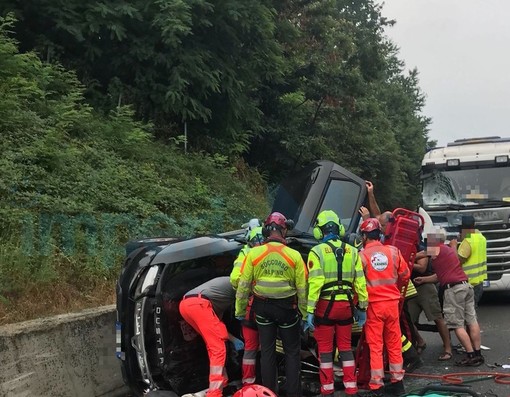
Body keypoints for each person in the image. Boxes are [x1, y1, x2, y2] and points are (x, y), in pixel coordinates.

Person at [235, 212, 307, 397]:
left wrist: (240, 310)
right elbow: (302, 289)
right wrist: (306, 314)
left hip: (262, 309)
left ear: (266, 231)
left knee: (267, 352)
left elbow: (243, 285)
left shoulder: (253, 254)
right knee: (292, 352)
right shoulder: (295, 256)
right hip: (287, 310)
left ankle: (268, 392)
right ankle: (293, 393)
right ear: (284, 231)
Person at [306, 210, 368, 396]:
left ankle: (327, 389)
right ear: (339, 228)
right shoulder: (353, 251)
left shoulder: (316, 252)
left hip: (325, 307)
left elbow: (315, 283)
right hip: (346, 307)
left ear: (320, 231)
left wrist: (309, 310)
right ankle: (351, 388)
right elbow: (360, 282)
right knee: (346, 348)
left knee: (325, 351)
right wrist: (362, 307)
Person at [414, 229, 484, 367]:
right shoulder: (449, 251)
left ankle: (470, 355)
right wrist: (424, 280)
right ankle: (477, 353)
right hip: (466, 286)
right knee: (471, 320)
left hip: (454, 290)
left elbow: (418, 255)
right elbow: (439, 276)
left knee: (456, 324)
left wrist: (403, 256)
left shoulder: (436, 249)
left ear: (435, 241)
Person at [358, 218, 410, 397]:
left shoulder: (362, 256)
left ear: (364, 236)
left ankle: (377, 385)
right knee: (394, 343)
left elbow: (357, 283)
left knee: (375, 346)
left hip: (374, 306)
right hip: (392, 303)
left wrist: (358, 303)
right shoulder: (393, 251)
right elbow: (405, 275)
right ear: (379, 234)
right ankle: (397, 382)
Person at [179, 277, 244, 397]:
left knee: (213, 345)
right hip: (198, 304)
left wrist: (233, 340)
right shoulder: (241, 283)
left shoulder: (219, 298)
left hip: (186, 305)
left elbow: (218, 329)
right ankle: (215, 393)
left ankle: (223, 383)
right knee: (218, 349)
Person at [230, 225, 264, 385]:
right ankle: (262, 382)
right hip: (263, 308)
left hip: (250, 309)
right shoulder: (265, 254)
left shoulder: (245, 254)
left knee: (251, 348)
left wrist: (240, 311)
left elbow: (237, 282)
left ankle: (248, 384)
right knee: (264, 347)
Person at [409, 253, 452, 361]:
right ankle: (420, 342)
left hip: (425, 287)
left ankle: (448, 349)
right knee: (408, 320)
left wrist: (405, 262)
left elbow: (422, 268)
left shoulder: (421, 248)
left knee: (437, 318)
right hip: (410, 288)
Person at [450, 215, 487, 308]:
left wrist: (454, 246)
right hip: (479, 282)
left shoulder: (467, 241)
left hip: (468, 283)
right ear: (474, 224)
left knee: (466, 314)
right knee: (472, 312)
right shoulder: (481, 237)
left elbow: (457, 261)